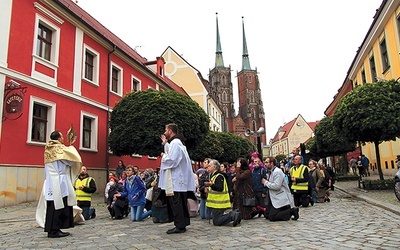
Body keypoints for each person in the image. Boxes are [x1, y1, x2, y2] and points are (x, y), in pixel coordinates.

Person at [42, 130, 82, 238]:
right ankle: (55, 230)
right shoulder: (59, 149)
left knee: (51, 207)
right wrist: (71, 149)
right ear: (59, 138)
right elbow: (70, 161)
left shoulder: (48, 149)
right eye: (62, 137)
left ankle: (50, 229)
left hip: (51, 181)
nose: (63, 139)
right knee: (59, 206)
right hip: (59, 181)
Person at [159, 123, 195, 234]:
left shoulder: (175, 143)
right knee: (179, 204)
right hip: (179, 181)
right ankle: (182, 224)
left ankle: (180, 226)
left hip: (176, 181)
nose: (164, 132)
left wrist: (163, 156)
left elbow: (172, 159)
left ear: (170, 131)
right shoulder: (177, 143)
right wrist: (165, 144)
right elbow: (171, 152)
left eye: (166, 130)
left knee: (177, 204)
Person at [205, 159, 241, 227]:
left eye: (209, 166)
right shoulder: (212, 175)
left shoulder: (219, 176)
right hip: (216, 203)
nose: (208, 167)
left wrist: (211, 185)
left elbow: (220, 188)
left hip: (219, 202)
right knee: (216, 220)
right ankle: (234, 213)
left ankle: (233, 215)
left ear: (214, 167)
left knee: (217, 221)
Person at [262, 157, 299, 221]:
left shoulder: (277, 172)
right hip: (273, 197)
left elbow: (277, 186)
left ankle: (291, 211)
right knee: (266, 215)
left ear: (272, 163)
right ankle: (284, 209)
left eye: (267, 162)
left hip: (280, 196)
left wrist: (266, 183)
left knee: (272, 217)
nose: (265, 164)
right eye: (265, 162)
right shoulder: (270, 172)